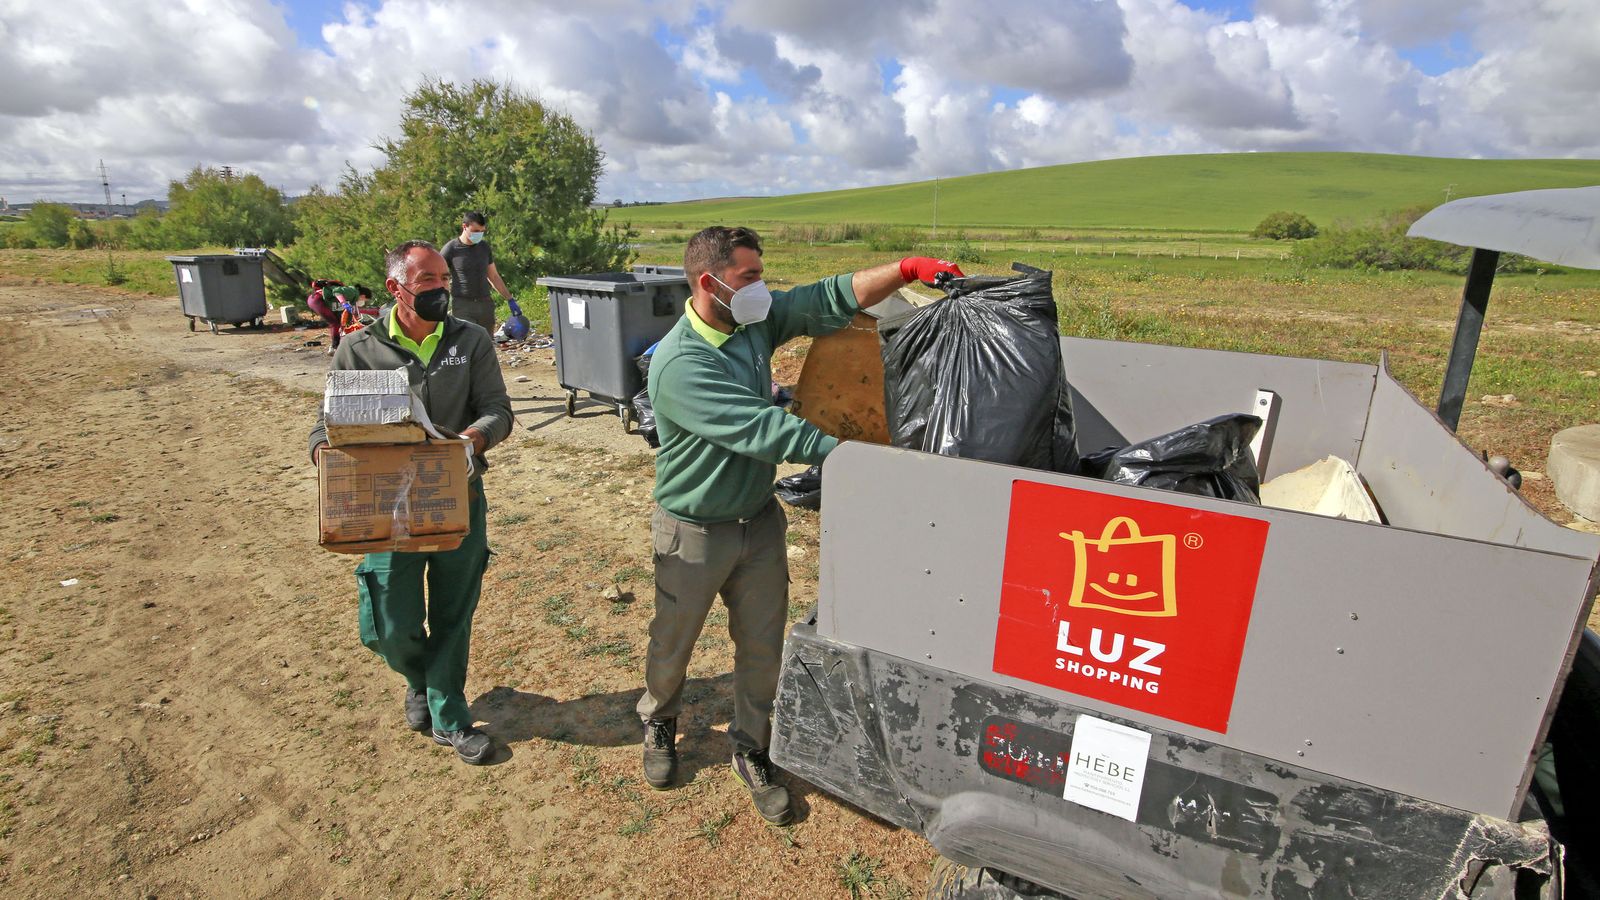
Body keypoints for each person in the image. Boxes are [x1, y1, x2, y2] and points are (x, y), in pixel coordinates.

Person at [636, 225, 962, 823]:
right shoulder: (680, 363)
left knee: (763, 648)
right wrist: (863, 460)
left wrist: (905, 269)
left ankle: (751, 747)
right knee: (673, 642)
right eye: (750, 277)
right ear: (710, 282)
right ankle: (659, 719)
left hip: (758, 523)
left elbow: (824, 298)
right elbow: (767, 430)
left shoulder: (750, 322)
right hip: (694, 530)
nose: (762, 288)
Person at [308, 240, 513, 765]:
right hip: (385, 506)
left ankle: (450, 714)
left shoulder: (470, 340)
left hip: (455, 496)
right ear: (396, 288)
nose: (441, 289)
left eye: (444, 279)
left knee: (453, 610)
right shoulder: (360, 349)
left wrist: (470, 441)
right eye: (427, 281)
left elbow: (498, 410)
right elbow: (324, 425)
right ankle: (418, 677)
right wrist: (325, 456)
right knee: (389, 621)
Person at [439, 211, 515, 334]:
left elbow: (494, 276)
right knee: (468, 340)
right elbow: (438, 276)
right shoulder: (451, 249)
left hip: (485, 304)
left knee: (486, 341)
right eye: (475, 231)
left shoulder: (484, 247)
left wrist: (509, 299)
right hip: (463, 305)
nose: (479, 234)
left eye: (481, 231)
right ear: (464, 226)